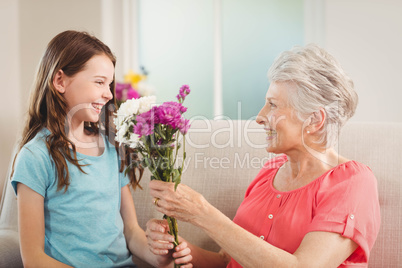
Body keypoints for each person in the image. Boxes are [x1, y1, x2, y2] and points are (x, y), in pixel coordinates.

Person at [145, 44, 381, 267]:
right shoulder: (270, 171)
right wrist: (178, 248)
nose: (259, 116)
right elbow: (229, 261)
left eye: (273, 105)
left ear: (314, 120)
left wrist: (202, 214)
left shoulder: (351, 183)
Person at [11, 30, 192, 267]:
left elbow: (131, 232)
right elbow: (34, 259)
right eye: (99, 82)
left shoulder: (110, 148)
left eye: (109, 84)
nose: (108, 94)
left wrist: (161, 255)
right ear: (60, 81)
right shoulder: (35, 157)